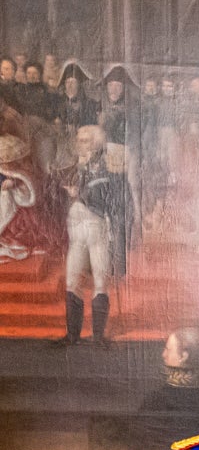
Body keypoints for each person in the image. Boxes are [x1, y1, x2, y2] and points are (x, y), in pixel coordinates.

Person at [52, 124, 130, 347]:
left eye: (85, 140)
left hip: (98, 229)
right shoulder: (76, 164)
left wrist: (82, 193)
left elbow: (112, 198)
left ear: (96, 143)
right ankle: (72, 335)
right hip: (76, 231)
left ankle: (98, 337)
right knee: (72, 281)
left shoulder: (110, 165)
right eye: (80, 139)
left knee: (100, 281)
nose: (80, 144)